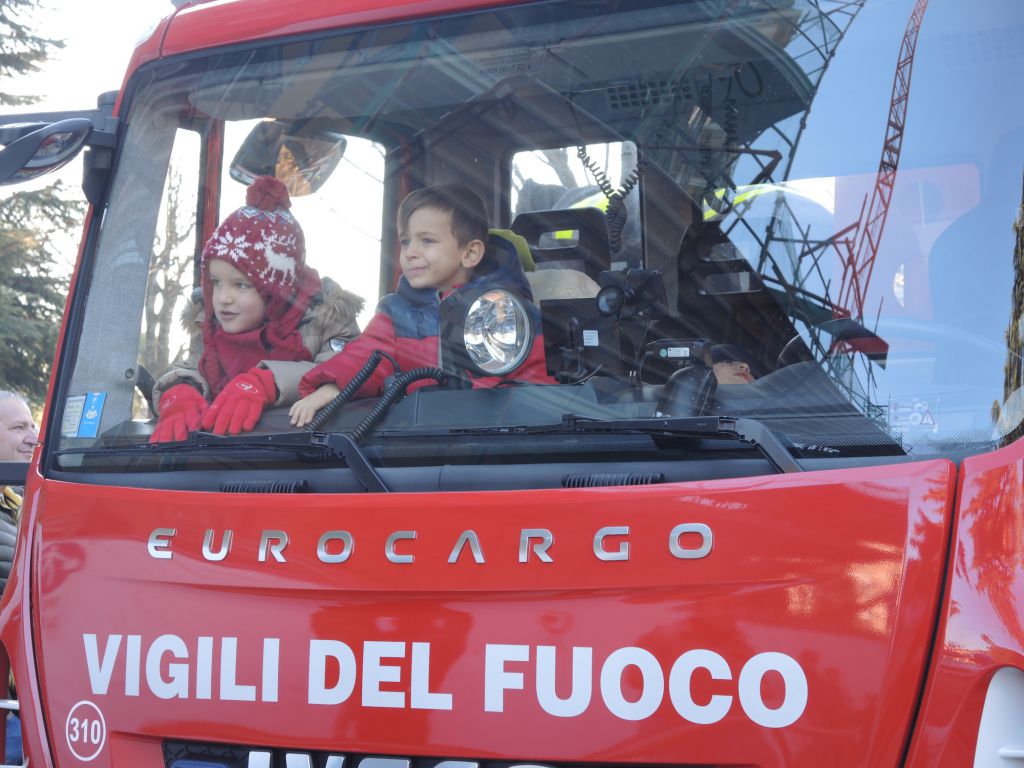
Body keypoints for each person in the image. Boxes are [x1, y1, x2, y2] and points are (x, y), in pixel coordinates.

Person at [292, 184, 553, 426]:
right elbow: (365, 357)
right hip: (421, 442)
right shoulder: (396, 314)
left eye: (426, 241)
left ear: (470, 253)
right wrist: (334, 386)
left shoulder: (508, 312)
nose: (410, 252)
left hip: (495, 441)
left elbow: (534, 387)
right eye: (405, 242)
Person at [151, 175, 364, 441]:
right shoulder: (210, 327)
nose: (222, 298)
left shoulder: (326, 321)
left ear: (277, 291)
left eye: (241, 285)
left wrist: (267, 382)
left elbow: (349, 371)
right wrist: (180, 391)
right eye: (215, 283)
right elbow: (192, 367)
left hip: (305, 457)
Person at [0, 390, 34, 764]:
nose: (33, 437)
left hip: (20, 700)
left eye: (33, 426)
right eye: (19, 427)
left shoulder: (19, 503)